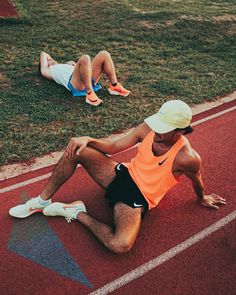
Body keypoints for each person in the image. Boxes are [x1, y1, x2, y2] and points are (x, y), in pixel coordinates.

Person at [9, 100, 226, 254]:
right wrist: (87, 139)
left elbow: (196, 179)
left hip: (138, 198)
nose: (157, 131)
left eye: (164, 129)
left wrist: (202, 197)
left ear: (180, 131)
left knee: (120, 245)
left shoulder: (187, 158)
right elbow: (114, 146)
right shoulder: (149, 128)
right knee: (77, 149)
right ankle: (41, 201)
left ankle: (77, 212)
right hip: (121, 174)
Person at [39, 50, 130, 106]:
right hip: (75, 83)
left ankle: (114, 85)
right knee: (85, 58)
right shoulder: (47, 71)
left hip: (87, 78)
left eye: (50, 60)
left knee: (104, 54)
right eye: (48, 61)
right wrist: (54, 62)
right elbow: (44, 54)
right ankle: (90, 93)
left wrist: (69, 65)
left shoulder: (64, 65)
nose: (50, 60)